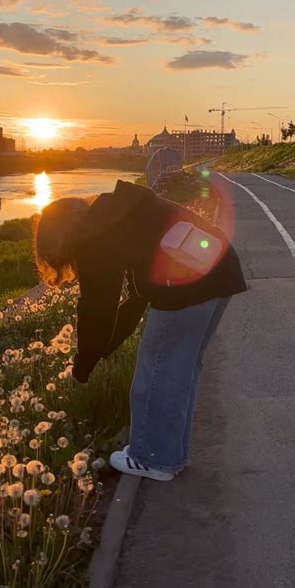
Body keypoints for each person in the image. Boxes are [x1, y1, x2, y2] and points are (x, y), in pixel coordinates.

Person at [34, 178, 247, 481]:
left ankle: (153, 459)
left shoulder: (95, 236)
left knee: (156, 373)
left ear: (60, 236)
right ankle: (172, 454)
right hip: (219, 270)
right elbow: (136, 298)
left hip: (189, 286)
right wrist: (102, 351)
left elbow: (97, 308)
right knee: (180, 370)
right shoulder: (121, 211)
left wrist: (83, 364)